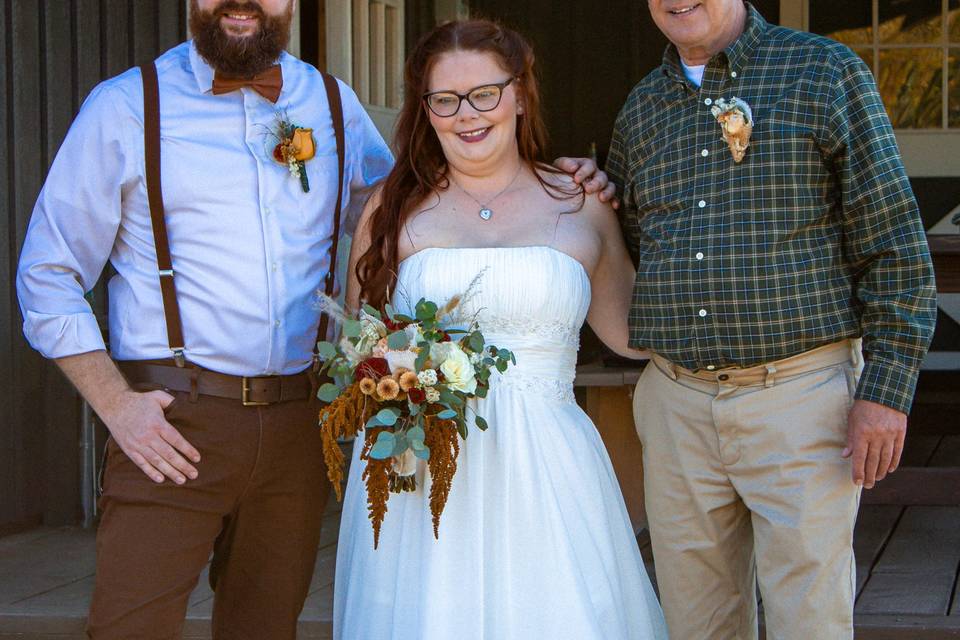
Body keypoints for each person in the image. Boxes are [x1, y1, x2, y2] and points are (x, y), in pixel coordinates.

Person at [16, 2, 611, 637]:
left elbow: (421, 211)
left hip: (302, 421)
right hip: (172, 420)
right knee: (128, 627)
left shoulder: (333, 104)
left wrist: (560, 186)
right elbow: (47, 275)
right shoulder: (126, 107)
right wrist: (116, 404)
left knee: (266, 627)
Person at [605, 1, 938, 638]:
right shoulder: (641, 107)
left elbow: (895, 243)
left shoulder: (823, 72)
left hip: (800, 398)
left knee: (808, 619)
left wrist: (886, 393)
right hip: (676, 404)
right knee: (696, 623)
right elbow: (628, 242)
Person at [335, 19, 667, 640]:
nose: (467, 114)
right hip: (421, 472)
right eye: (445, 100)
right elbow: (358, 349)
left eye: (485, 93)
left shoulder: (581, 200)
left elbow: (630, 334)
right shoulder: (391, 208)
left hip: (548, 466)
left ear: (520, 94)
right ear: (426, 111)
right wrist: (401, 376)